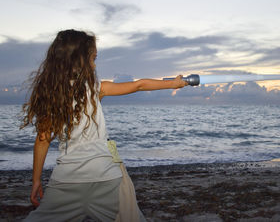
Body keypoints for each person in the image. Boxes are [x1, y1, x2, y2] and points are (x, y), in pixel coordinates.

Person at [21, 29, 187, 221]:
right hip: (106, 180)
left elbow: (42, 140)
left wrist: (35, 181)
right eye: (93, 58)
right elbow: (138, 85)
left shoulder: (52, 96)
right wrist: (173, 84)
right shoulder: (96, 89)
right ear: (80, 59)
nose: (93, 65)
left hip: (66, 183)